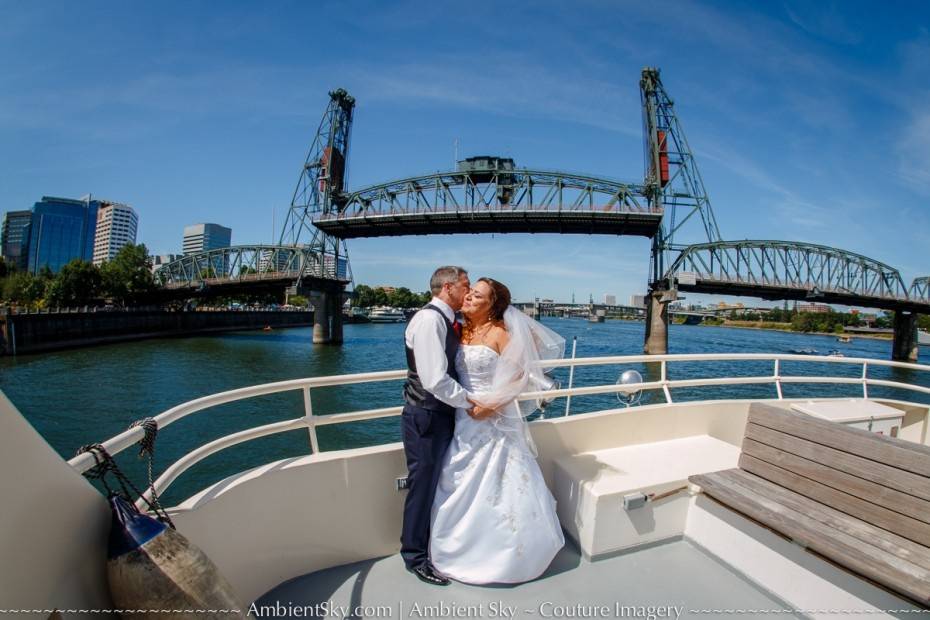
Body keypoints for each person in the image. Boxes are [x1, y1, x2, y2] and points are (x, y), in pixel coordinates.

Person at [430, 277, 566, 584]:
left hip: (491, 416)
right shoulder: (460, 330)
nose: (468, 298)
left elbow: (520, 376)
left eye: (477, 296)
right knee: (457, 476)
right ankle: (455, 548)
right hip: (462, 416)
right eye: (470, 293)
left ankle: (504, 557)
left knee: (501, 483)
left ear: (492, 305)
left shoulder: (502, 333)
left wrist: (490, 406)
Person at [400, 266, 495, 586]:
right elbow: (434, 379)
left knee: (438, 483)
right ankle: (414, 557)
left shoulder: (449, 321)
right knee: (423, 486)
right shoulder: (429, 321)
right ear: (448, 288)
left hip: (442, 414)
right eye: (465, 286)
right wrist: (471, 403)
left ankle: (433, 545)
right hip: (426, 415)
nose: (467, 293)